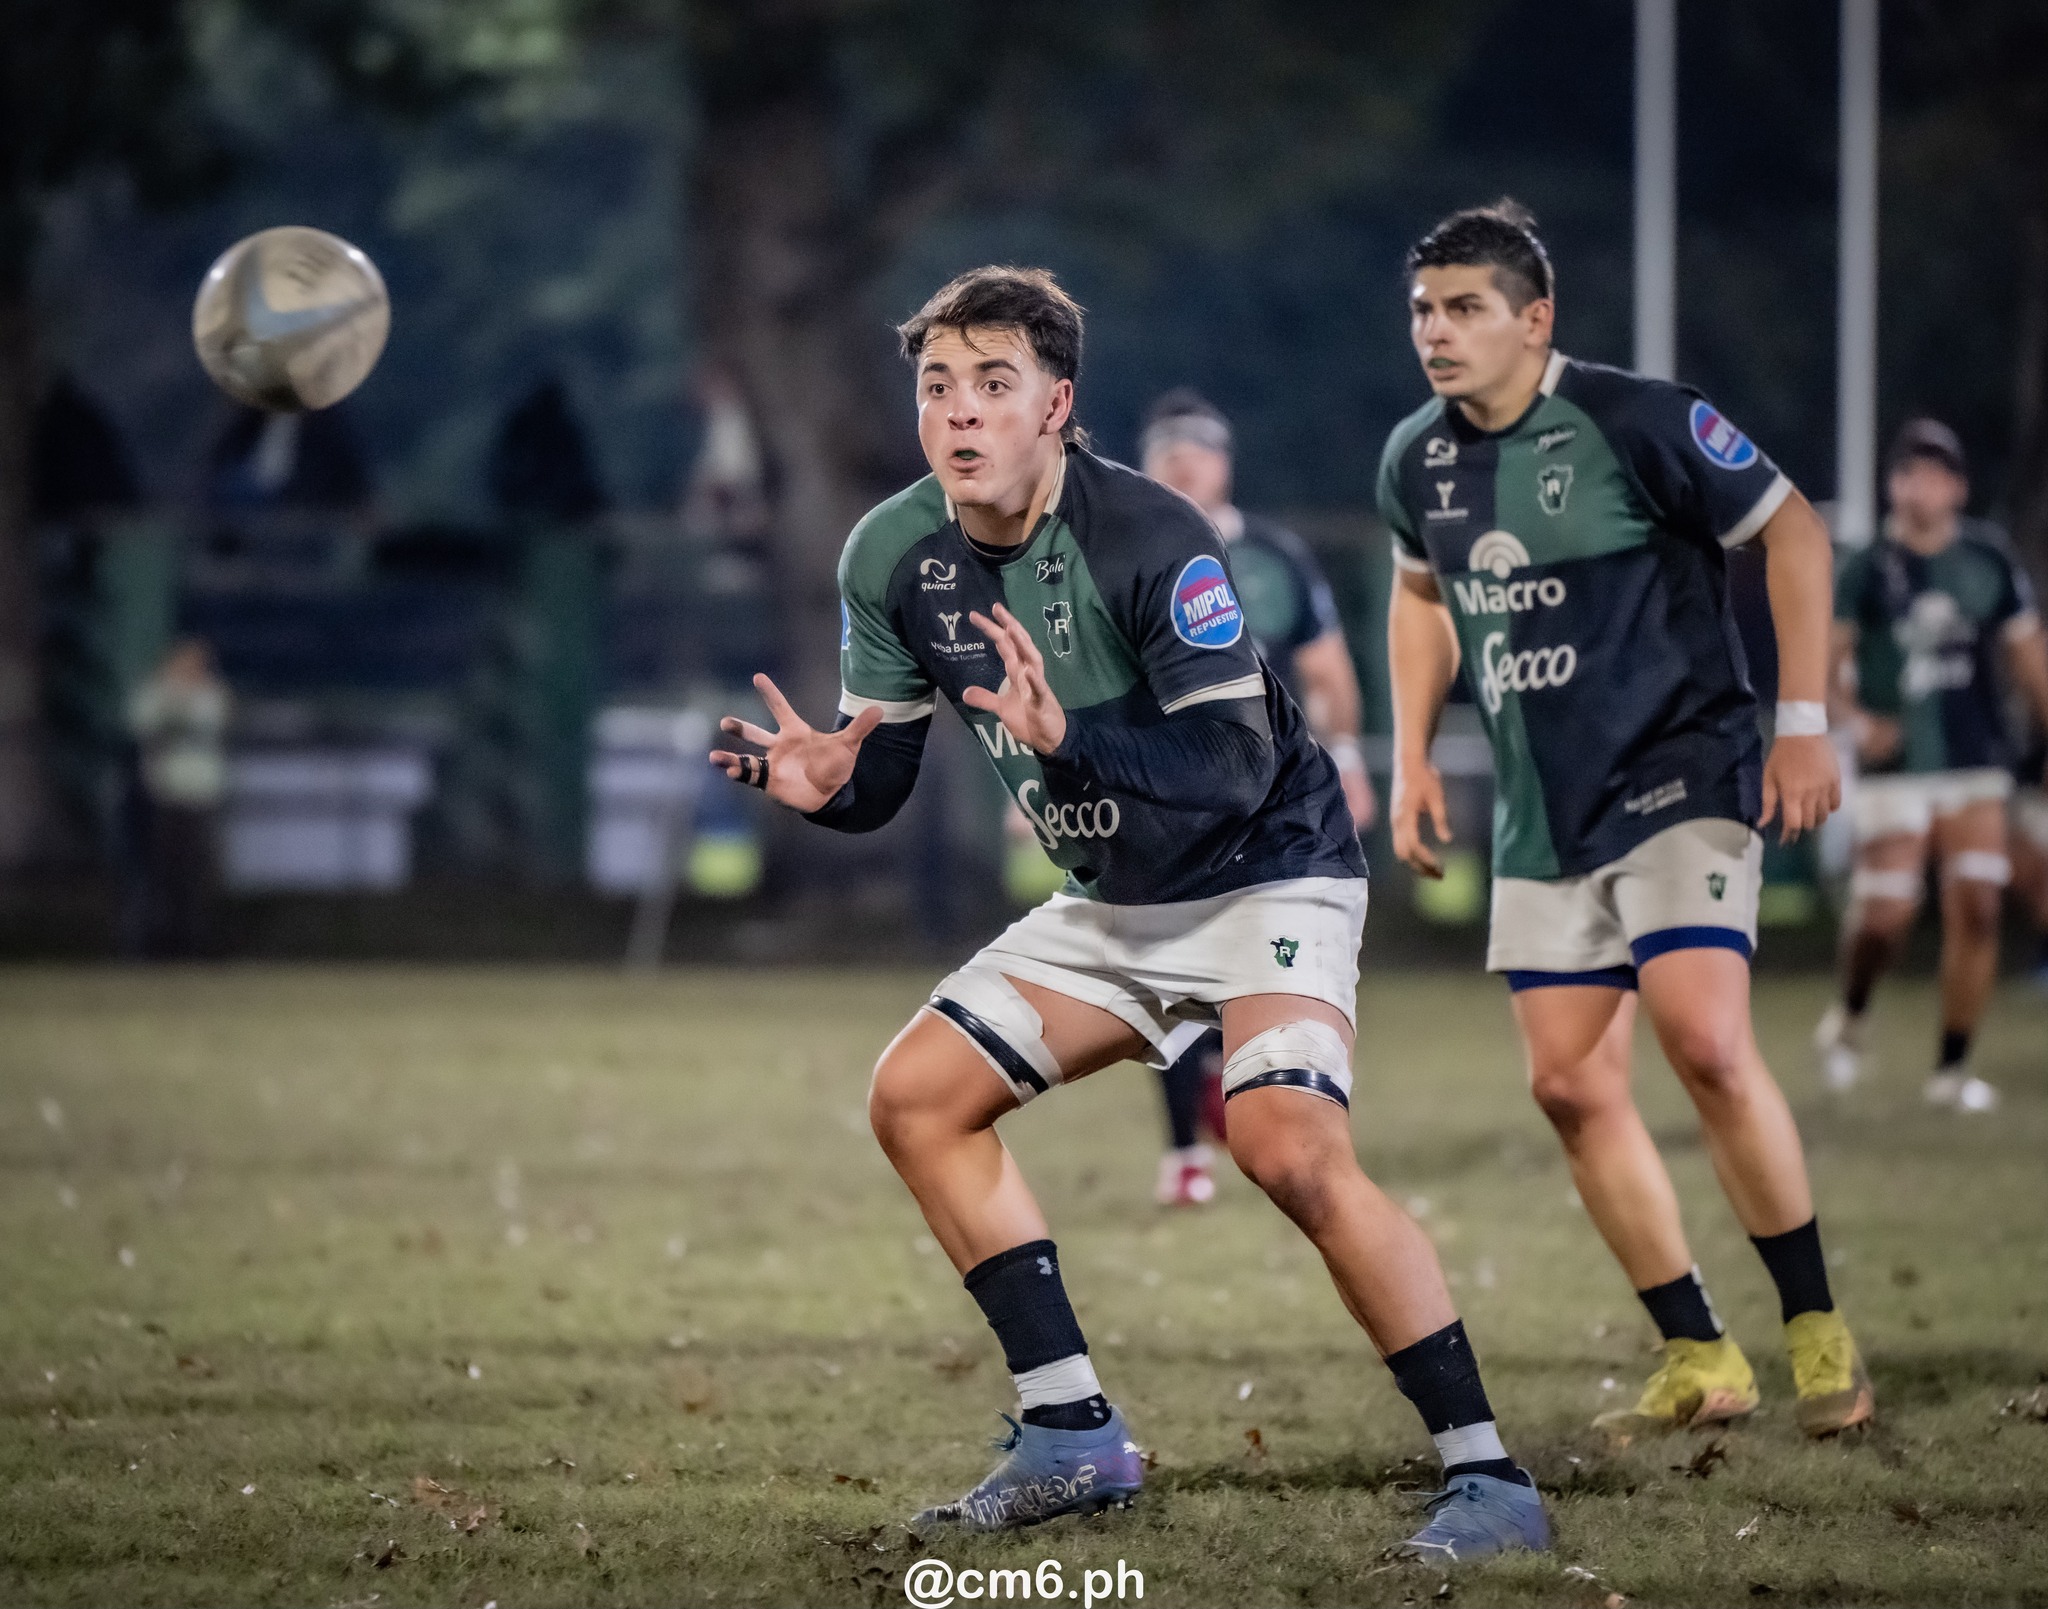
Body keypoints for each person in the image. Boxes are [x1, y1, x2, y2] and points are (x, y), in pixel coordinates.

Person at [712, 265, 1552, 1559]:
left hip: (1269, 864)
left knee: (1285, 1149)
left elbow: (1225, 768)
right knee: (917, 1098)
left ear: (1058, 403)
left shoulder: (1152, 533)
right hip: (1116, 895)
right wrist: (824, 780)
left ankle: (1489, 1478)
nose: (961, 412)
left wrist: (1069, 732)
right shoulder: (893, 555)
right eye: (938, 385)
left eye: (995, 384)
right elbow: (879, 778)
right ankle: (1072, 1435)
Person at [1380, 201, 1872, 1442]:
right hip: (1547, 809)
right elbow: (1416, 596)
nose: (1435, 333)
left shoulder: (1635, 419)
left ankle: (1817, 1330)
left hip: (1681, 770)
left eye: (1464, 309)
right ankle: (1699, 1353)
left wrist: (1802, 719)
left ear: (1532, 319)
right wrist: (1409, 756)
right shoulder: (1414, 460)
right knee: (1564, 1085)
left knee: (1701, 1040)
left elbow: (1792, 530)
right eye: (1423, 312)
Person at [1139, 389, 1378, 1207]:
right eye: (1167, 449)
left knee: (1261, 960)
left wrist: (1346, 755)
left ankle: (1260, 1097)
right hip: (1166, 790)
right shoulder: (1121, 552)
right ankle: (1184, 1154)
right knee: (1169, 963)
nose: (1182, 461)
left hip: (1271, 797)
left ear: (1224, 462)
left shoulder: (1274, 557)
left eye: (1197, 448)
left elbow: (1326, 669)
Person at [1815, 420, 2048, 1109]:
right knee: (1887, 917)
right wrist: (1858, 723)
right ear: (1894, 485)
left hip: (1975, 761)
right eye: (1910, 471)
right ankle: (1851, 1014)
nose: (1923, 484)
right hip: (1898, 763)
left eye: (1937, 472)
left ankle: (1951, 1069)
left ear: (1959, 487)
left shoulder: (1988, 560)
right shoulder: (1865, 566)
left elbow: (2030, 659)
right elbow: (1821, 670)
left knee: (1977, 905)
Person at [127, 639, 232, 958]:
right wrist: (172, 699)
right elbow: (142, 724)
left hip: (201, 797)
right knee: (160, 875)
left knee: (196, 875)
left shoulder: (211, 693)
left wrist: (177, 711)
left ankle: (195, 946)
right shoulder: (156, 691)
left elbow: (214, 721)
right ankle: (155, 946)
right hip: (163, 797)